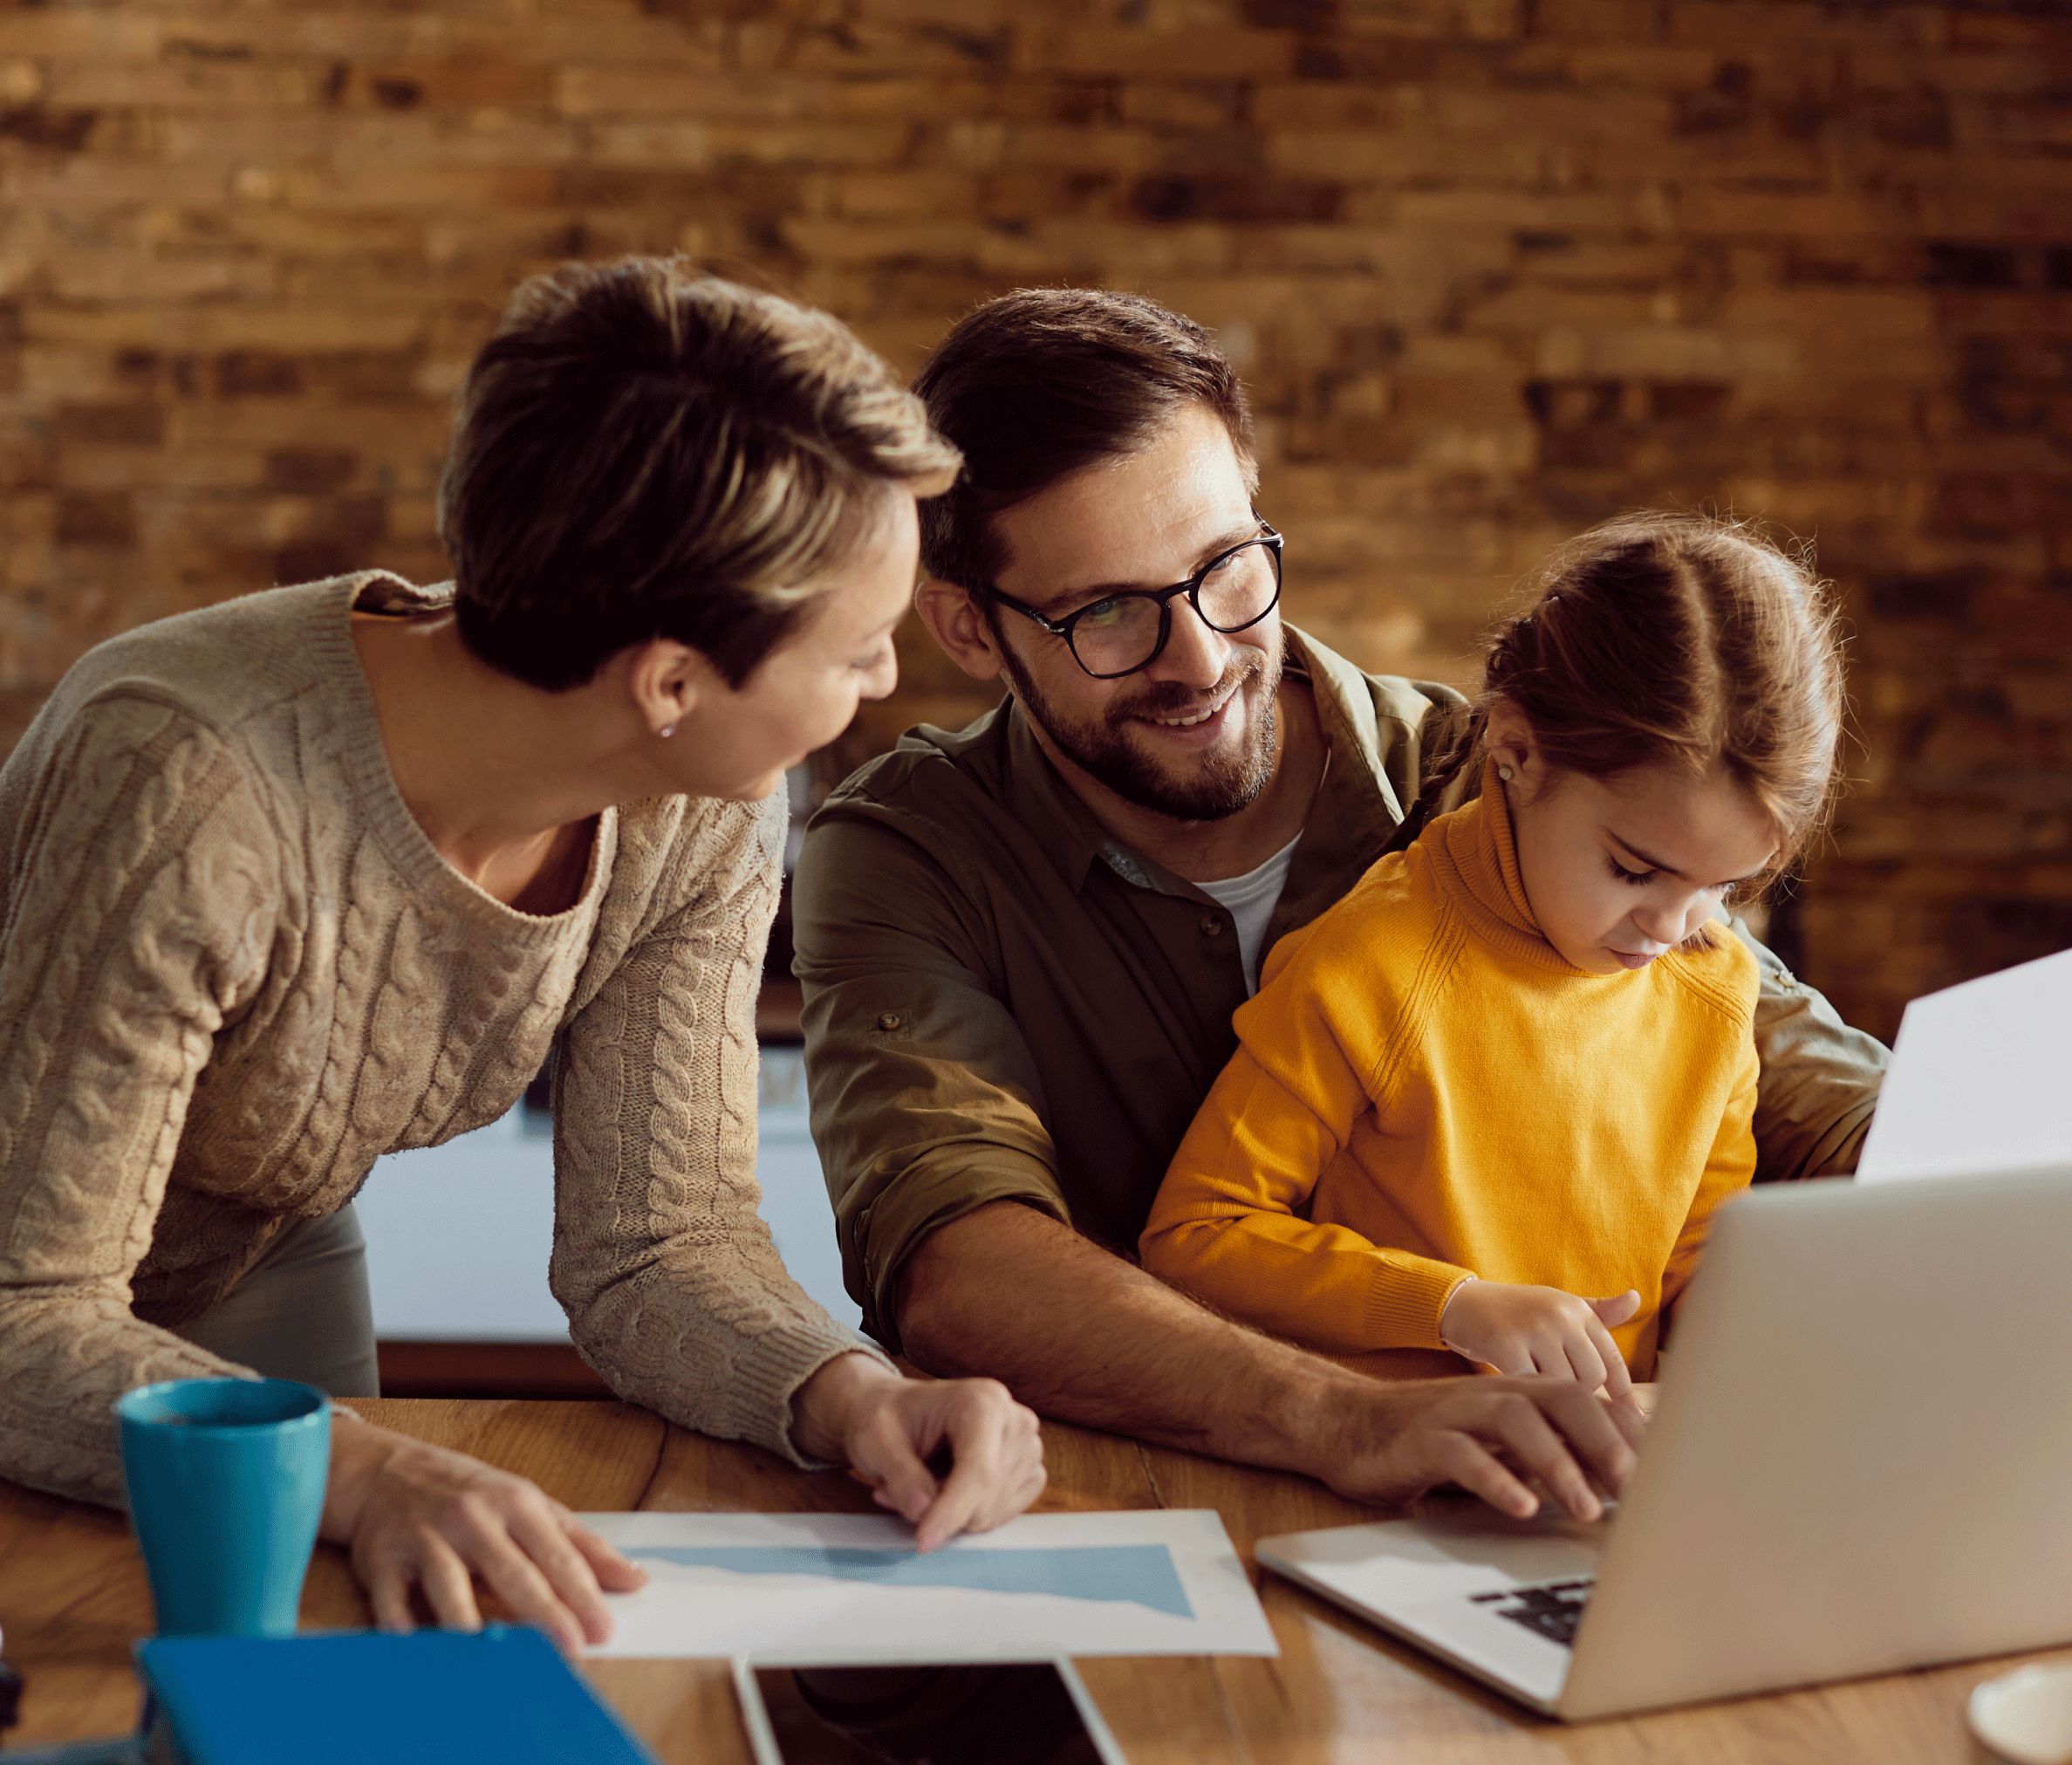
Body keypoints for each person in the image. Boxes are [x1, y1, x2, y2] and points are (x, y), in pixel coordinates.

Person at [0, 258, 1043, 1647]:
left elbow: (656, 1238)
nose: (884, 684)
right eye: (856, 648)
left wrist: (851, 1395)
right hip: (22, 1283)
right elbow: (25, 1305)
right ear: (669, 680)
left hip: (254, 1230)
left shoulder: (705, 801)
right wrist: (364, 1466)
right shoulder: (192, 780)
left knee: (344, 1676)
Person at [792, 288, 1884, 1522]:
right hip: (1090, 1515)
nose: (1200, 658)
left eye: (1223, 569)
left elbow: (1814, 1087)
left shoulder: (1490, 779)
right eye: (1106, 612)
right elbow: (957, 1259)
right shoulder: (905, 849)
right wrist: (1343, 1415)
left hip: (1534, 1501)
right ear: (967, 629)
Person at [1139, 517, 1843, 1519]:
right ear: (1513, 749)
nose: (1676, 925)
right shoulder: (1370, 964)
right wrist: (1452, 1305)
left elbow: (1696, 1269)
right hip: (1382, 1502)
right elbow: (1194, 1232)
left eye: (1725, 885)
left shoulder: (1711, 984)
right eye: (1634, 869)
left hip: (1596, 1503)